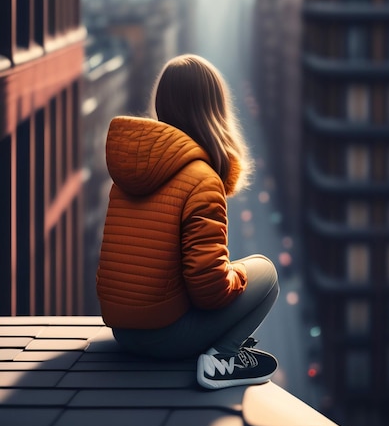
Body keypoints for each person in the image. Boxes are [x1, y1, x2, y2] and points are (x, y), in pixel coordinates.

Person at [96, 54, 279, 390]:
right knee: (265, 272)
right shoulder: (201, 179)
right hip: (165, 337)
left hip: (123, 332)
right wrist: (237, 275)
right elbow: (209, 290)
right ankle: (222, 359)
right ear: (214, 110)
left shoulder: (125, 177)